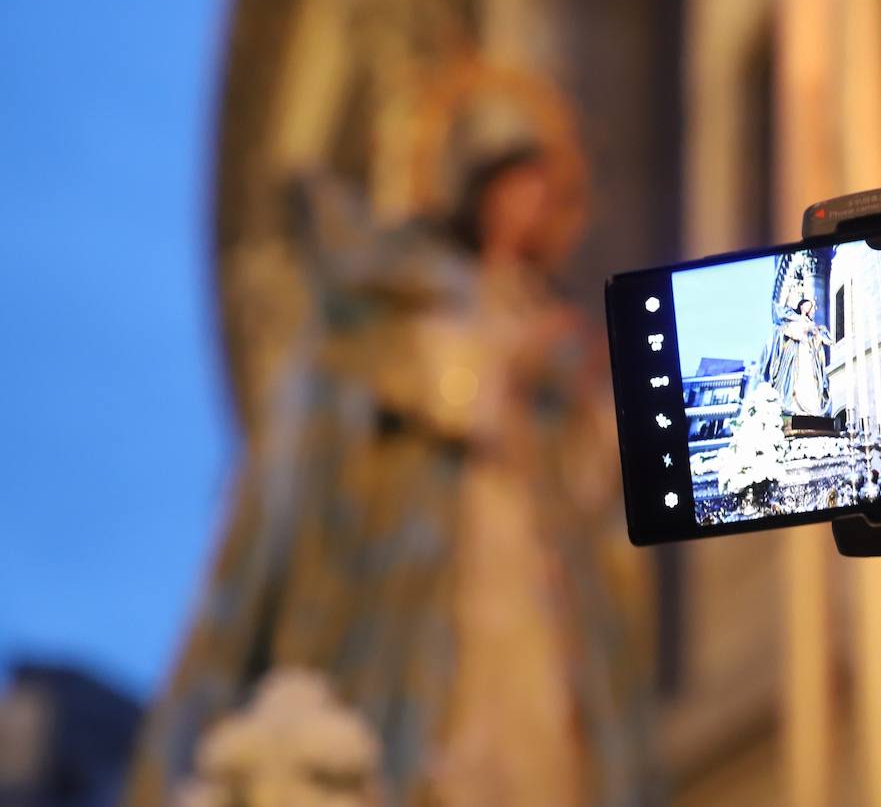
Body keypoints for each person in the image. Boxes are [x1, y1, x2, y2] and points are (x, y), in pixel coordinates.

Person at [124, 61, 655, 806]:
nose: (536, 210)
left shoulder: (549, 313)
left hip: (540, 558)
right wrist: (505, 367)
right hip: (446, 551)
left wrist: (588, 404)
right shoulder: (422, 288)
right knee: (454, 734)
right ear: (486, 192)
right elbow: (401, 383)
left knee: (547, 738)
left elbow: (590, 477)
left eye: (548, 196)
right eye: (523, 189)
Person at [761, 295, 833, 417]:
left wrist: (817, 336)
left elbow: (817, 341)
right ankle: (795, 406)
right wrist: (804, 330)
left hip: (809, 353)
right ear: (801, 306)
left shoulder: (811, 323)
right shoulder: (795, 318)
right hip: (797, 352)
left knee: (810, 377)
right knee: (798, 377)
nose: (808, 308)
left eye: (810, 306)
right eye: (807, 305)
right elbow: (787, 330)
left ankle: (811, 408)